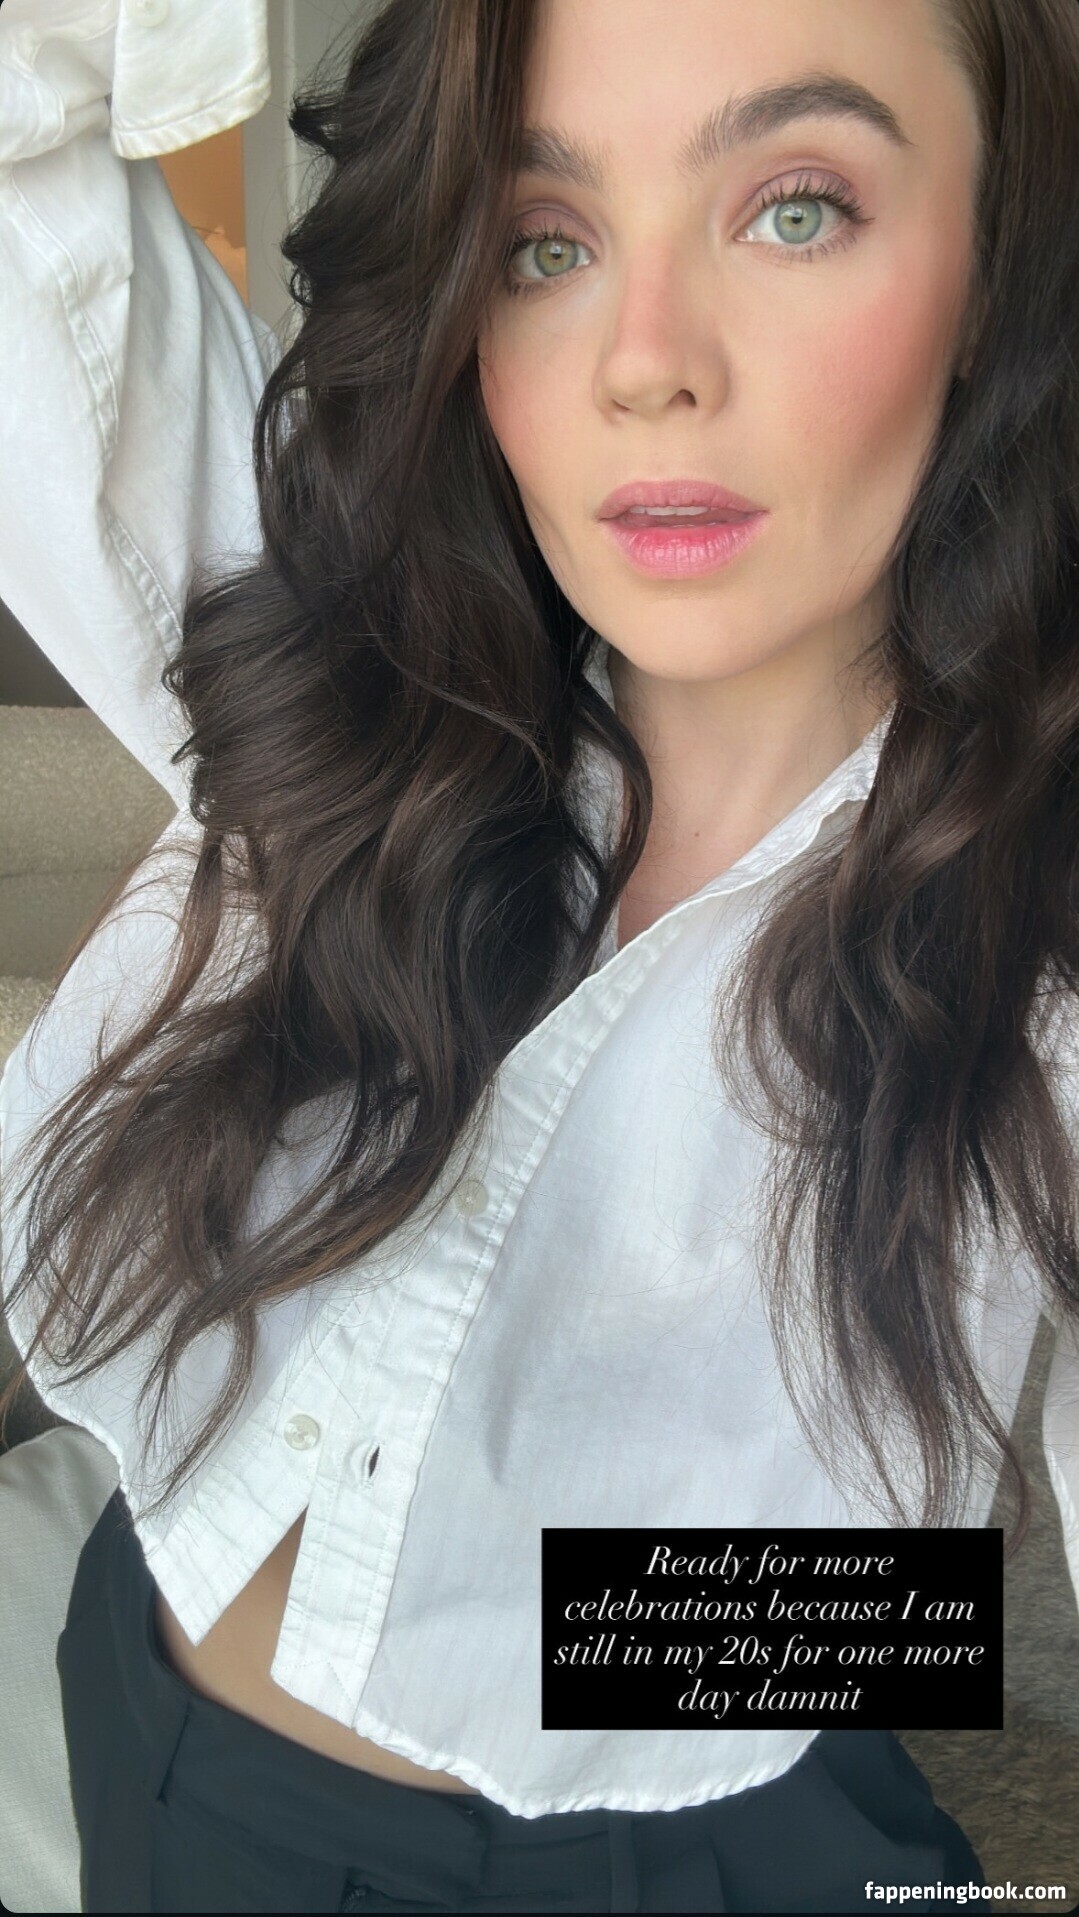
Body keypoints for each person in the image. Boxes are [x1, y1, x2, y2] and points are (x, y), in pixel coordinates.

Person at [1, 0, 1077, 1909]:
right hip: (143, 1690)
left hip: (673, 1853)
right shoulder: (341, 670)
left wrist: (700, 1627)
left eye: (799, 208)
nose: (644, 364)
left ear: (997, 266)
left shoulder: (1036, 939)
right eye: (542, 240)